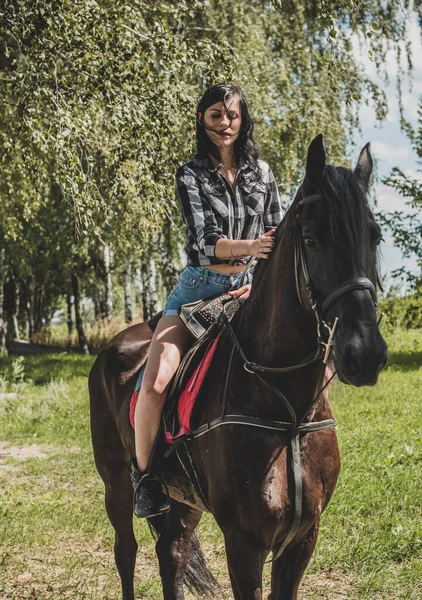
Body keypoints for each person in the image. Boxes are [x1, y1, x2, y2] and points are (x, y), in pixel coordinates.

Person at [131, 83, 283, 518]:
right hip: (199, 291)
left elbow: (277, 232)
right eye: (215, 115)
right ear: (203, 119)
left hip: (250, 289)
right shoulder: (190, 174)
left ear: (243, 119)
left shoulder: (264, 173)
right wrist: (251, 247)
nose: (225, 124)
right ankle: (145, 477)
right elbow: (204, 243)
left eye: (232, 115)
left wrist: (260, 275)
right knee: (156, 381)